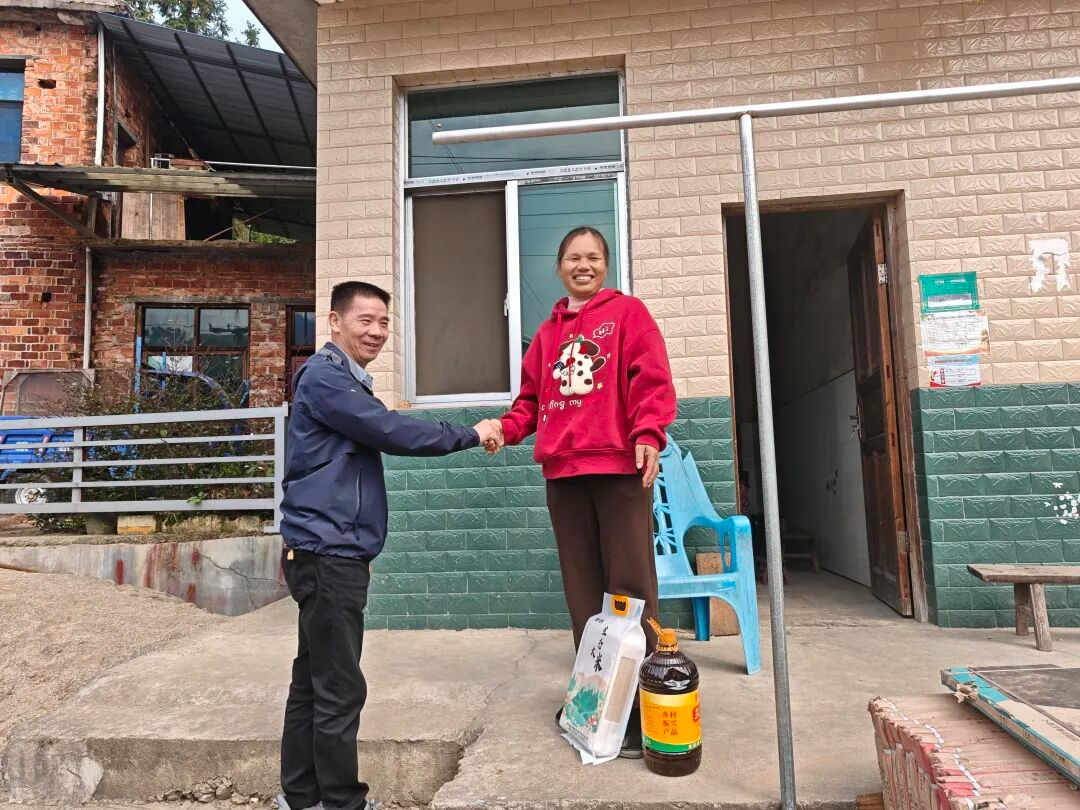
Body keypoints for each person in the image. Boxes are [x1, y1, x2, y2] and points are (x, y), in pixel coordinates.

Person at [277, 281, 502, 810]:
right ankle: (342, 803)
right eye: (366, 320)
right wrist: (470, 433)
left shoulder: (342, 382)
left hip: (326, 552)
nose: (377, 331)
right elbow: (391, 431)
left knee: (313, 683)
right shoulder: (326, 378)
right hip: (329, 554)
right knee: (338, 688)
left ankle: (302, 798)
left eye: (383, 322)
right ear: (335, 322)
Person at [493, 226, 676, 758]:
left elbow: (651, 379)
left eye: (593, 257)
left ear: (606, 265)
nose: (583, 265)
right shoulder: (546, 335)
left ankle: (640, 708)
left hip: (619, 469)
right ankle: (593, 702)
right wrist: (504, 429)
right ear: (559, 267)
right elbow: (530, 402)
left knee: (630, 586)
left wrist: (648, 434)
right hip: (564, 476)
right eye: (573, 257)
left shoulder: (628, 315)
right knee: (584, 594)